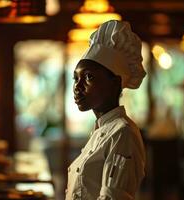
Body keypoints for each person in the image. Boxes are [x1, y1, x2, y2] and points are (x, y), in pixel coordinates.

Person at [65, 20, 147, 200]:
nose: (77, 87)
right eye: (75, 78)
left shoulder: (122, 133)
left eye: (88, 77)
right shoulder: (102, 130)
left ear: (115, 82)